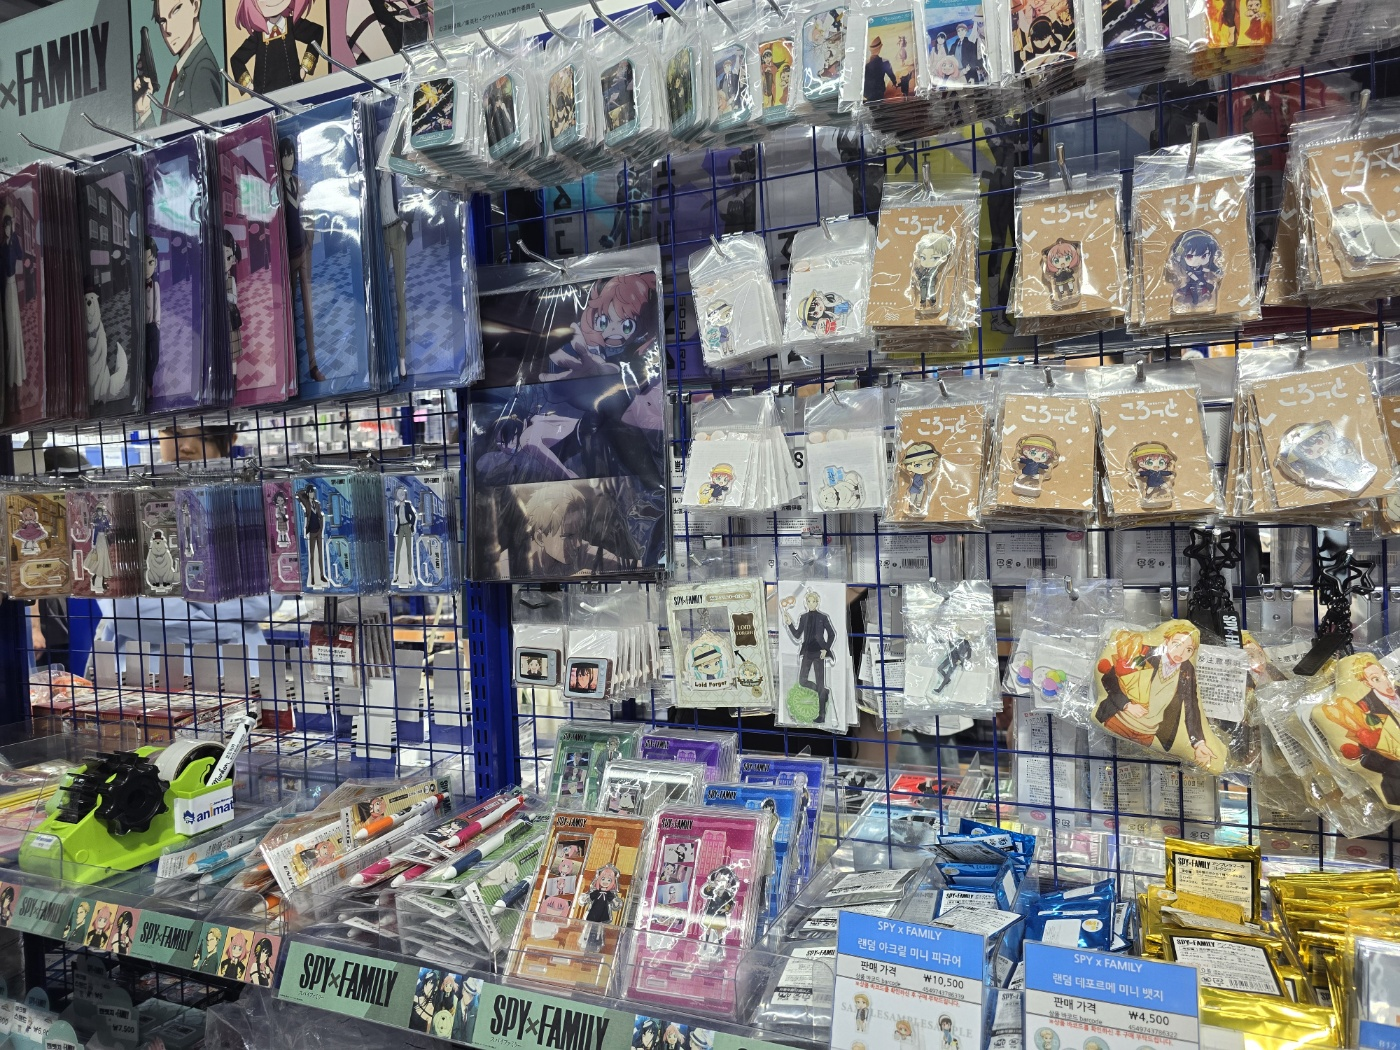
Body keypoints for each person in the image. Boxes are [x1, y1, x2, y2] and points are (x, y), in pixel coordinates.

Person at [97, 426, 283, 678]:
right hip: (146, 671)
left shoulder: (248, 502)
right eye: (175, 433)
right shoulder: (123, 505)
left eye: (204, 436)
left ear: (229, 440)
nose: (185, 446)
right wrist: (225, 621)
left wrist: (175, 599)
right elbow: (127, 612)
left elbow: (263, 600)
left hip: (237, 669)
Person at [134, 0, 223, 128]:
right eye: (162, 21)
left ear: (195, 6)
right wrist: (144, 111)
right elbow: (170, 139)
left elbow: (208, 136)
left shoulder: (202, 69)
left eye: (176, 10)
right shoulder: (184, 69)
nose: (168, 29)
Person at [280, 137, 323, 382]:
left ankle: (313, 365)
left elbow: (310, 210)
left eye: (291, 154)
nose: (288, 159)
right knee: (288, 312)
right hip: (287, 257)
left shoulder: (300, 183)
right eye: (284, 155)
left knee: (307, 311)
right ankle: (291, 370)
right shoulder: (277, 187)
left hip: (303, 252)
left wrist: (310, 240)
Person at [229, 0, 323, 94]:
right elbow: (236, 59)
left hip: (293, 86)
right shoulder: (258, 35)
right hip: (264, 93)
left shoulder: (291, 24)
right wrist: (248, 85)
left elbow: (316, 32)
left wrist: (305, 68)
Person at [784, 590, 836, 722]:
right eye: (809, 601)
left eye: (813, 601)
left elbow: (832, 634)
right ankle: (823, 691)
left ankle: (822, 715)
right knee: (802, 681)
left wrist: (826, 649)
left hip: (819, 653)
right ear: (806, 603)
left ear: (817, 602)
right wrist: (789, 623)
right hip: (807, 652)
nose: (811, 604)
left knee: (820, 681)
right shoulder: (803, 617)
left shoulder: (823, 617)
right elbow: (797, 635)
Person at [2, 206, 27, 388]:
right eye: (5, 226)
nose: (7, 229)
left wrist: (15, 236)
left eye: (9, 225)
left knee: (15, 325)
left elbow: (20, 255)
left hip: (12, 287)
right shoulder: (2, 246)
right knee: (9, 328)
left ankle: (18, 373)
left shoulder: (13, 242)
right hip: (5, 288)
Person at [862, 36, 897, 103]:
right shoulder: (884, 62)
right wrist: (894, 82)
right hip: (879, 91)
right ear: (880, 48)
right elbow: (891, 74)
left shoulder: (865, 63)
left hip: (867, 92)